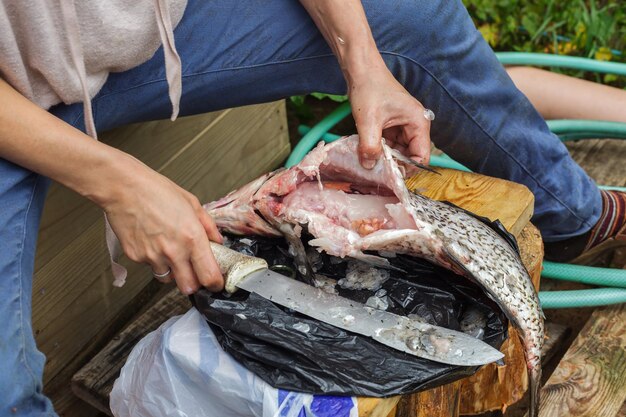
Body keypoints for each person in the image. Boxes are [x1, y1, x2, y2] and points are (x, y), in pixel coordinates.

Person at [0, 1, 623, 415]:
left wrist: (364, 62)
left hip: (154, 39)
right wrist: (120, 182)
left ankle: (575, 219)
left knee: (412, 15)